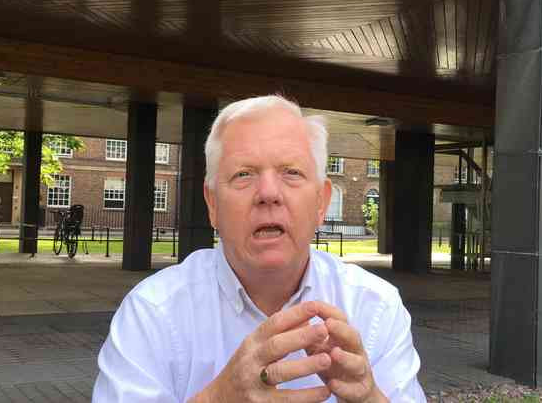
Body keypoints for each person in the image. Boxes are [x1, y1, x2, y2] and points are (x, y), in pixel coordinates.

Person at [92, 95, 426, 402]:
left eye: (291, 173)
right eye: (243, 174)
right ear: (212, 204)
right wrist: (217, 398)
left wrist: (370, 397)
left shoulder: (375, 307)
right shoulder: (152, 312)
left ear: (321, 202)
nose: (268, 192)